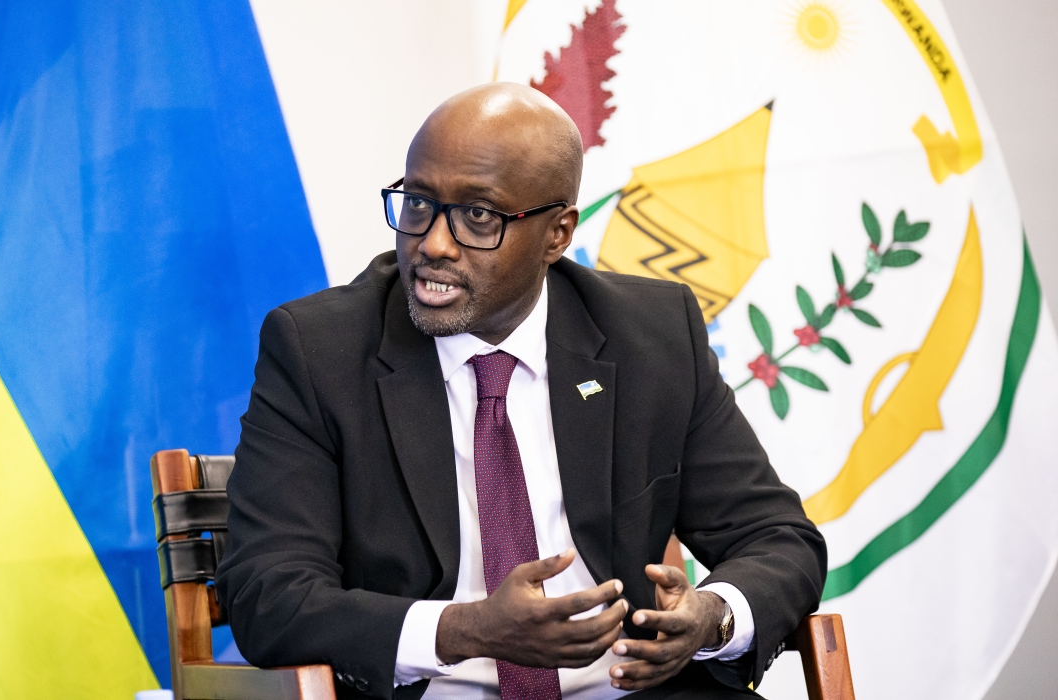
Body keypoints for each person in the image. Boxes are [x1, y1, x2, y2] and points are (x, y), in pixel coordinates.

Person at [216, 83, 826, 700]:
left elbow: (777, 538)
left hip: (632, 688)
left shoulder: (651, 335)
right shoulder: (319, 351)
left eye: (478, 215)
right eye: (419, 203)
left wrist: (712, 618)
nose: (433, 243)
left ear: (557, 234)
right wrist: (466, 630)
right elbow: (268, 594)